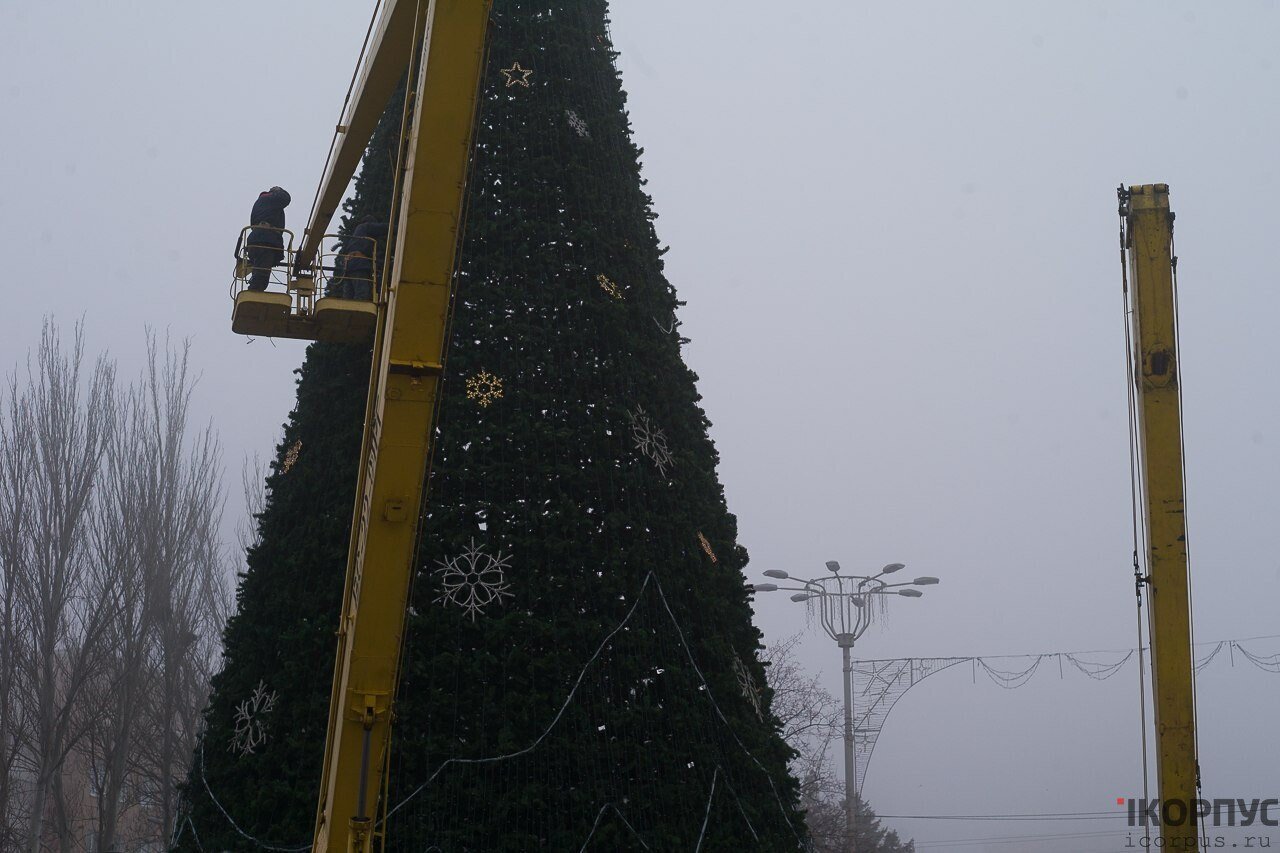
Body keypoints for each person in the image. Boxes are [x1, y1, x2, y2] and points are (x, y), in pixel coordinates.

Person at [242, 186, 291, 291]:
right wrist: (279, 190)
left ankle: (255, 288)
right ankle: (254, 290)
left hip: (260, 239)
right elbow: (286, 198)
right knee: (262, 272)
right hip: (265, 240)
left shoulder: (265, 203)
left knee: (261, 268)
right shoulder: (268, 198)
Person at [343, 216, 387, 300]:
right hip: (358, 264)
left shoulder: (357, 238)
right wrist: (398, 228)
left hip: (349, 265)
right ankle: (357, 311)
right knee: (362, 293)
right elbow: (382, 228)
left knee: (348, 297)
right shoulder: (364, 227)